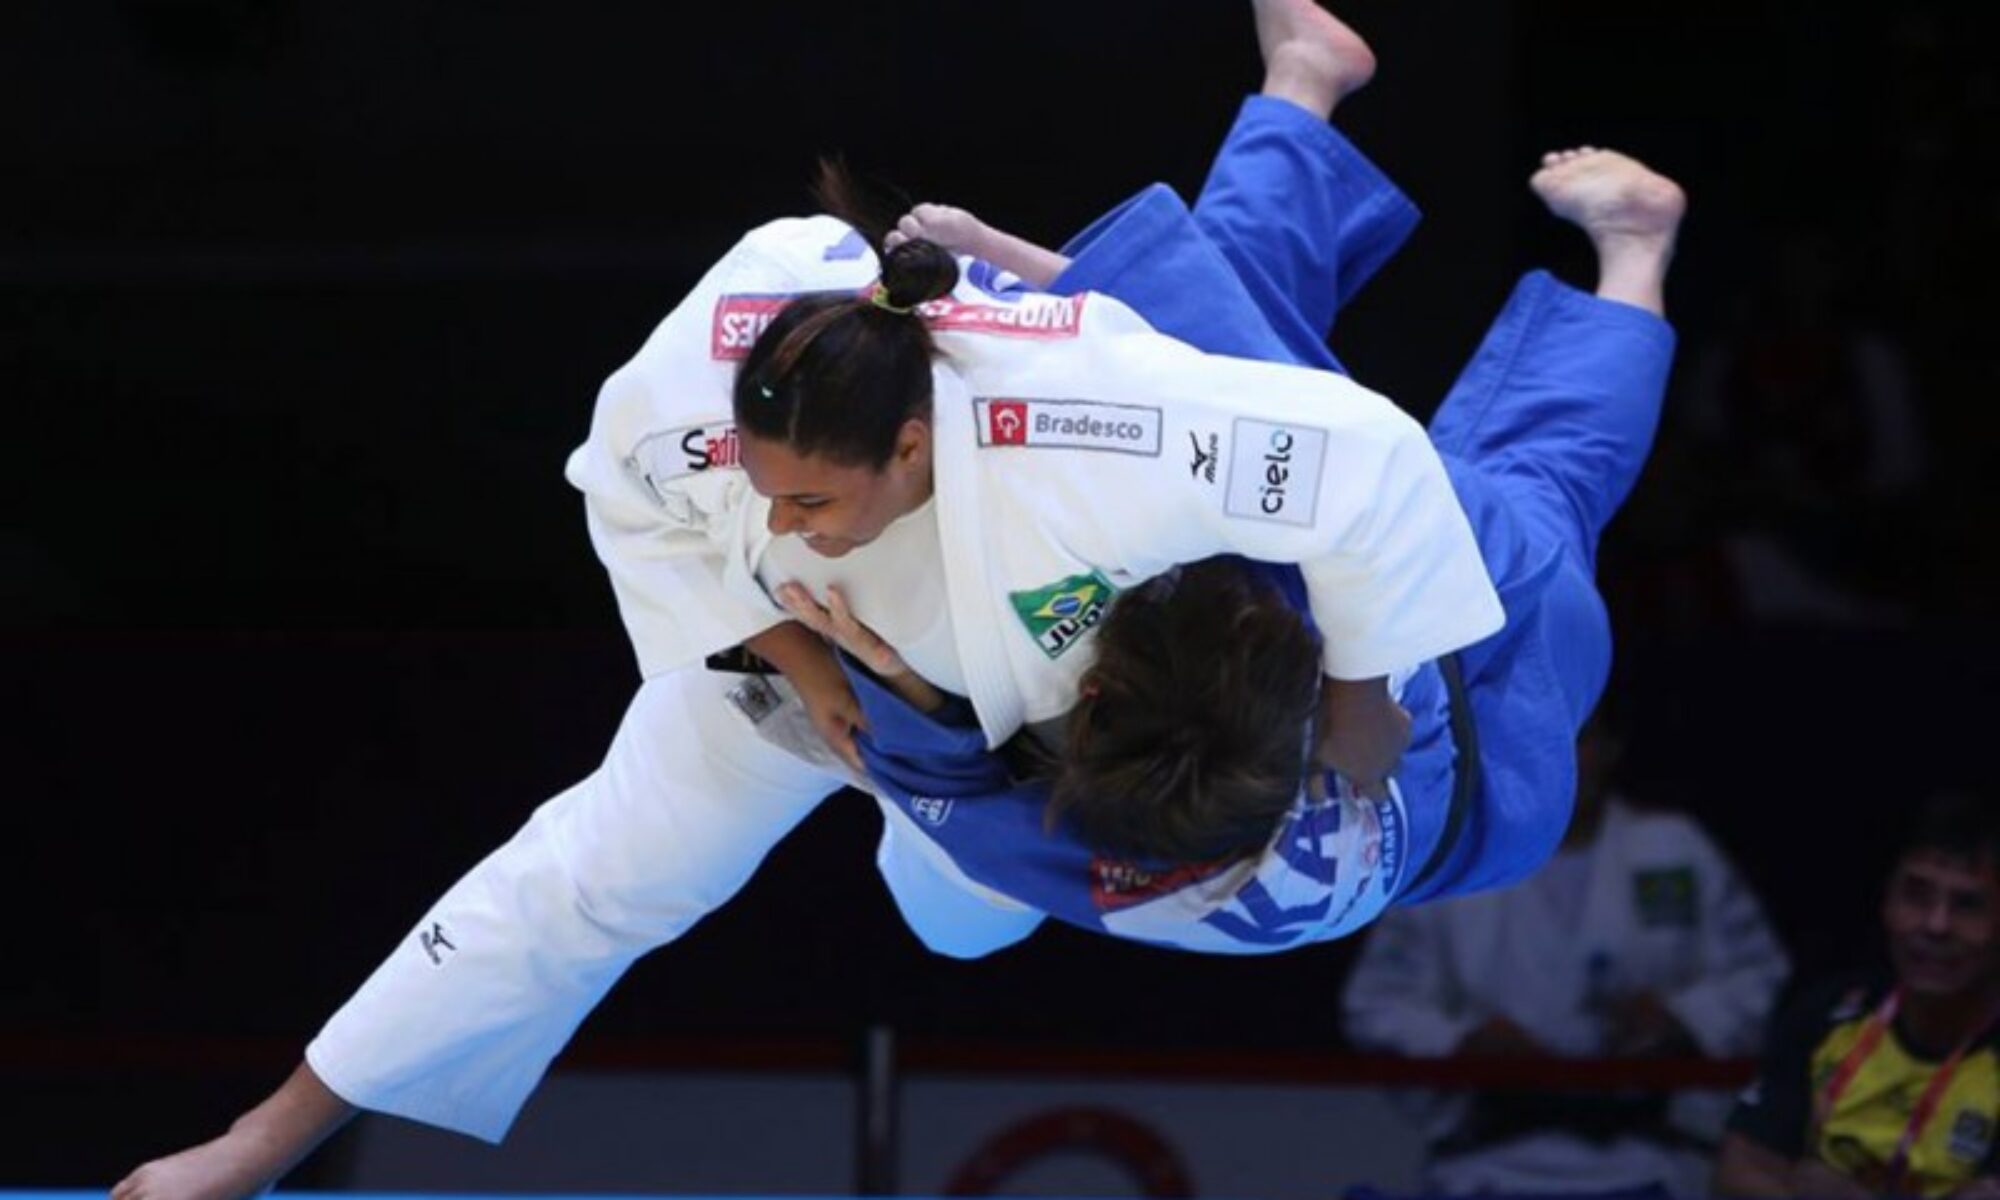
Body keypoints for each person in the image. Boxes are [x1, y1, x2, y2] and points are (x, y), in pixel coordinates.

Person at [112, 3, 1673, 1195]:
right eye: (767, 482)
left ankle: (1300, 97)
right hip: (806, 679)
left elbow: (1362, 460)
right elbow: (620, 498)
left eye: (813, 500)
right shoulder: (720, 375)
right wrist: (779, 626)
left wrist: (1362, 700)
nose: (787, 520)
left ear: (918, 442)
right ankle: (256, 1143)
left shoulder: (1079, 442)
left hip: (1011, 708)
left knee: (1219, 360)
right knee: (594, 875)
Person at [1336, 720, 1789, 1195]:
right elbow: (1376, 1003)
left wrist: (1682, 1019)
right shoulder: (1457, 858)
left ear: (1611, 746)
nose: (1562, 757)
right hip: (1491, 1160)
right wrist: (1461, 1039)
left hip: (1651, 1155)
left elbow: (1760, 976)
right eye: (1542, 734)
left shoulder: (1671, 849)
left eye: (1580, 736)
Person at [1714, 792, 2000, 1199]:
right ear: (1886, 902)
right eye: (1916, 895)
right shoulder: (1826, 1014)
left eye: (1967, 905)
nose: (1936, 926)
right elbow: (1737, 1174)